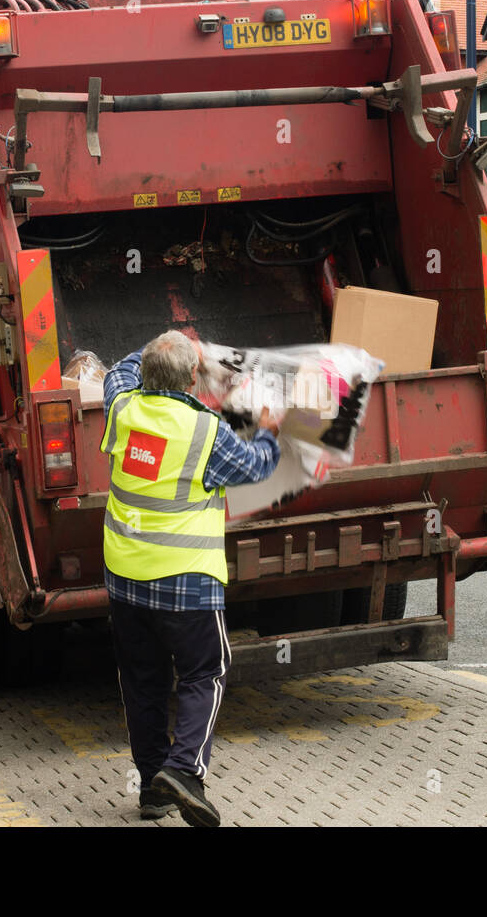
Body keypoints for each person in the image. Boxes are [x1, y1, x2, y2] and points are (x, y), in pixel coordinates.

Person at [102, 331, 280, 827]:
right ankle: (184, 771)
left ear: (146, 375)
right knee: (205, 672)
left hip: (125, 578)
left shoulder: (121, 408)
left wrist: (163, 345)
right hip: (187, 584)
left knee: (142, 683)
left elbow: (118, 368)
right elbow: (259, 464)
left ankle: (151, 790)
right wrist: (267, 426)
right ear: (192, 379)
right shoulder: (206, 432)